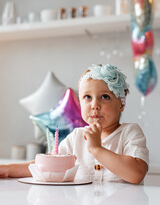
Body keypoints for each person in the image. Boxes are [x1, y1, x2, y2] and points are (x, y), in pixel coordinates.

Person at [0, 64, 149, 184]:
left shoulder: (130, 132)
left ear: (121, 104)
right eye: (87, 97)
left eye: (105, 96)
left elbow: (136, 174)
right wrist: (7, 169)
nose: (95, 105)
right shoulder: (77, 137)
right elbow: (47, 165)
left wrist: (96, 149)